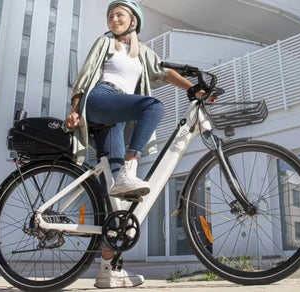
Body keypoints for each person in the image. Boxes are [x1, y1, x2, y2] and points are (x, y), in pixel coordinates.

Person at [65, 0, 207, 288]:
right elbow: (84, 76)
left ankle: (108, 271)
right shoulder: (105, 44)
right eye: (111, 15)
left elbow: (164, 73)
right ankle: (132, 166)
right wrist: (75, 109)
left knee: (117, 199)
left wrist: (192, 88)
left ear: (134, 22)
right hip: (101, 99)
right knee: (154, 107)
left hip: (116, 118)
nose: (114, 18)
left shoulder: (141, 52)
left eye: (120, 15)